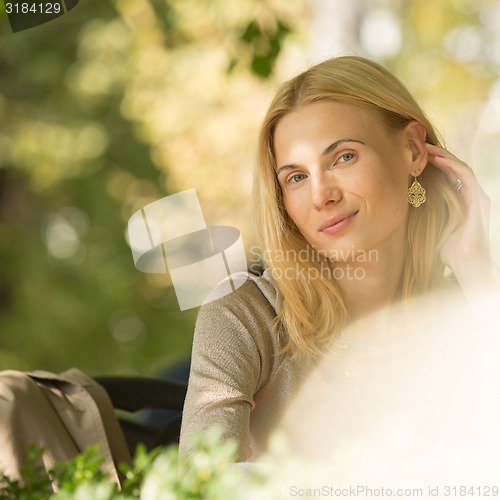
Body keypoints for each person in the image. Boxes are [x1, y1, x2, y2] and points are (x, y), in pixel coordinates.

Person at [179, 56, 499, 462]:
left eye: (343, 157)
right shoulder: (245, 314)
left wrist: (477, 270)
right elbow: (201, 481)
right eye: (297, 177)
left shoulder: (473, 311)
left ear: (413, 150)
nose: (320, 196)